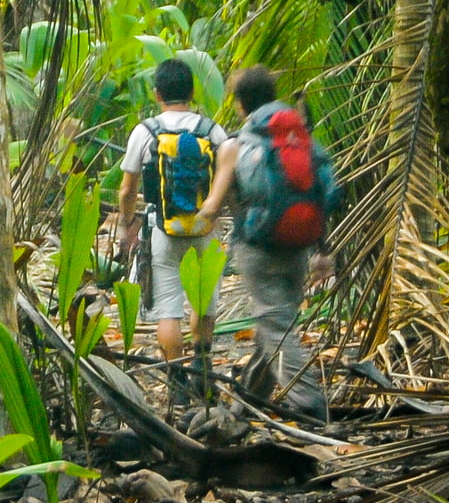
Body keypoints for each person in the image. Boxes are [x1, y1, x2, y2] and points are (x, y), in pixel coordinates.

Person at [200, 65, 340, 419]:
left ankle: (308, 401)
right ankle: (249, 398)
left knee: (276, 325)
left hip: (258, 245)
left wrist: (197, 217)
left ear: (239, 103)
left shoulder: (237, 144)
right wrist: (323, 250)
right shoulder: (301, 138)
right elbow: (322, 191)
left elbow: (215, 204)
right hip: (300, 242)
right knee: (278, 320)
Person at [115, 57, 232, 367]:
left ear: (157, 94)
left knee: (168, 310)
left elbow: (127, 190)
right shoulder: (212, 131)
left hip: (160, 231)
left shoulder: (145, 132)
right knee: (203, 301)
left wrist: (126, 224)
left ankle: (175, 379)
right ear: (192, 93)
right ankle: (202, 368)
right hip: (206, 229)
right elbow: (227, 178)